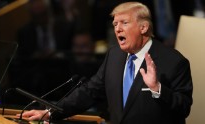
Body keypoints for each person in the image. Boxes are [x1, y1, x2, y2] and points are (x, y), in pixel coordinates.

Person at [18, 2, 193, 124]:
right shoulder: (115, 55)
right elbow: (90, 92)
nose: (117, 29)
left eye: (124, 23)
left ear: (143, 27)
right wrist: (51, 111)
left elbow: (183, 107)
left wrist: (157, 89)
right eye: (115, 24)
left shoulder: (175, 62)